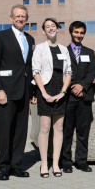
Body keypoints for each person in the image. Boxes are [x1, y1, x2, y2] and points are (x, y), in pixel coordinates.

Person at [0, 4, 35, 181]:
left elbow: (30, 67)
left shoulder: (30, 40)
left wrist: (33, 91)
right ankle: (4, 167)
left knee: (20, 131)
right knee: (6, 130)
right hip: (6, 92)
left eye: (23, 16)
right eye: (17, 16)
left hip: (24, 91)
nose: (20, 19)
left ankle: (16, 165)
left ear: (27, 19)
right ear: (11, 18)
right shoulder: (0, 37)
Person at [32, 18, 72, 178]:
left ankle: (55, 163)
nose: (50, 28)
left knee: (59, 128)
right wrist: (43, 93)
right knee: (44, 128)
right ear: (43, 30)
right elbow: (36, 71)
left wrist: (63, 91)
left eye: (53, 26)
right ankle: (44, 164)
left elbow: (69, 72)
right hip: (45, 90)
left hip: (60, 90)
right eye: (47, 27)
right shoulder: (40, 48)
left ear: (57, 28)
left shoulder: (64, 49)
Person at [62, 21, 95, 173]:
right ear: (71, 32)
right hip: (68, 97)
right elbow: (61, 72)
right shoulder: (63, 51)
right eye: (76, 32)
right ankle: (66, 162)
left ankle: (81, 161)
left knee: (83, 131)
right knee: (67, 130)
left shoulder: (89, 52)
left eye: (82, 32)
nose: (79, 35)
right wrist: (72, 87)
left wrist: (81, 86)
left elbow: (92, 72)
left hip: (84, 96)